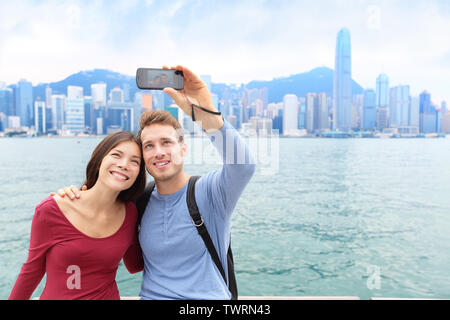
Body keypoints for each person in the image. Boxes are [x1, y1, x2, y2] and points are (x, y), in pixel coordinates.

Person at [57, 65, 256, 300]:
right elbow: (100, 217)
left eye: (166, 142)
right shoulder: (139, 200)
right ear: (143, 157)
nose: (158, 152)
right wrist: (74, 198)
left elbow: (243, 166)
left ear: (183, 148)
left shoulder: (211, 192)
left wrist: (204, 111)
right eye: (149, 146)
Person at [9, 131, 146, 300]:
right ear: (99, 161)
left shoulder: (131, 213)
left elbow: (135, 264)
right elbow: (31, 271)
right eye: (116, 155)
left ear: (138, 174)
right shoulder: (51, 209)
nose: (124, 164)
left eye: (135, 161)